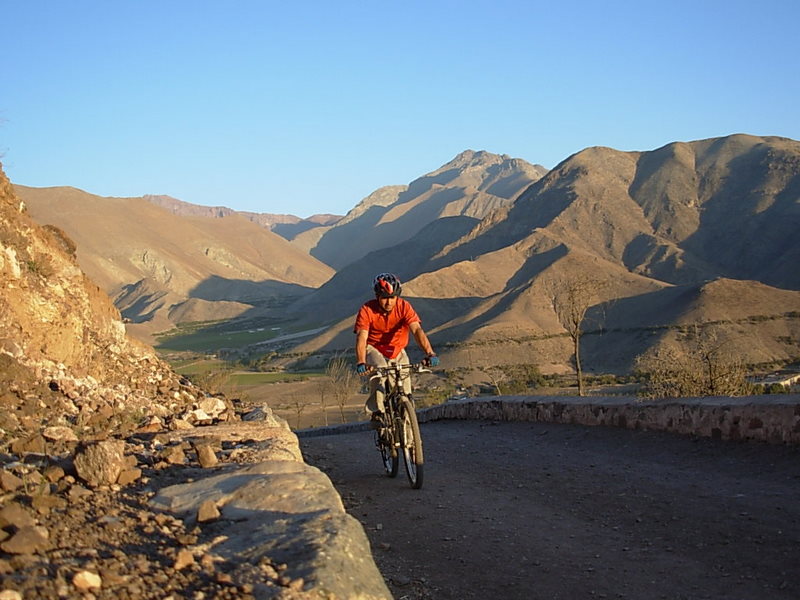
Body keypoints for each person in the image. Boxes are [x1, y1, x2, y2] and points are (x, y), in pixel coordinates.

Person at [354, 272, 439, 428]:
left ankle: (408, 425)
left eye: (392, 297)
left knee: (404, 382)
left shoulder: (404, 306)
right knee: (380, 370)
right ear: (377, 296)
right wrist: (361, 362)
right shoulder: (367, 309)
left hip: (397, 348)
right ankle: (377, 412)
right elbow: (362, 337)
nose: (389, 302)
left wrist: (430, 353)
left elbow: (417, 330)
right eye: (384, 298)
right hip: (374, 347)